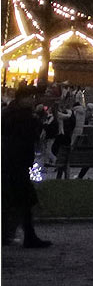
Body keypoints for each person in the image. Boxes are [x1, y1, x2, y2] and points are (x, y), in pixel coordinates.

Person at [1, 86, 51, 248]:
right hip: (16, 162)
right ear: (23, 98)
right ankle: (26, 236)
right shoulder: (22, 116)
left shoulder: (9, 113)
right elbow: (30, 136)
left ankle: (15, 234)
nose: (33, 100)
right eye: (30, 97)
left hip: (11, 161)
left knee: (16, 200)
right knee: (24, 199)